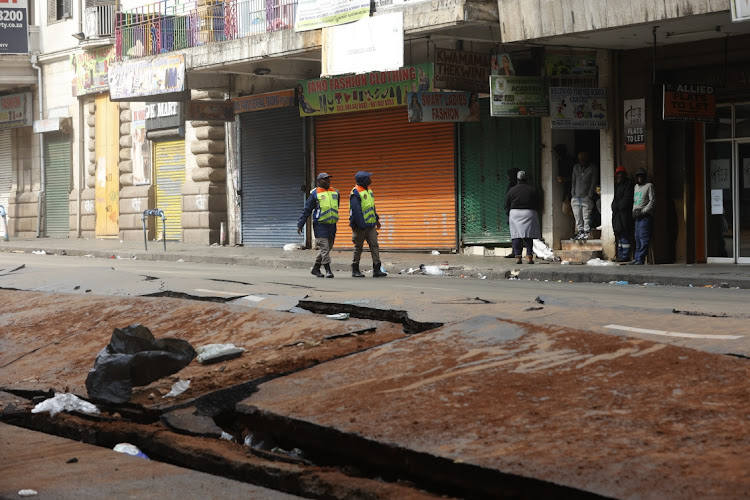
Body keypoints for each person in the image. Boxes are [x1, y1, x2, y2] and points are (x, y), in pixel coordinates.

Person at [297, 173, 339, 278]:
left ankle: (316, 268)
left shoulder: (335, 192)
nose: (328, 181)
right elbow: (307, 210)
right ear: (319, 181)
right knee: (324, 247)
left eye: (328, 179)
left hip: (332, 224)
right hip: (320, 225)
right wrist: (301, 224)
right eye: (325, 179)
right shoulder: (314, 194)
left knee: (328, 248)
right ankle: (328, 270)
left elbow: (337, 205)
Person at [350, 171, 387, 278]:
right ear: (364, 180)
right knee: (358, 248)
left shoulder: (369, 190)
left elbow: (371, 207)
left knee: (374, 245)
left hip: (370, 225)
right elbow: (356, 211)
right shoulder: (355, 192)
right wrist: (361, 226)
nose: (371, 180)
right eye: (368, 178)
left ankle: (377, 269)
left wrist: (377, 220)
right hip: (360, 226)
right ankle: (355, 269)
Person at [504, 170, 540, 264]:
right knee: (528, 235)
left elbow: (507, 204)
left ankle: (518, 257)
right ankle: (529, 257)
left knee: (516, 235)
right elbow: (538, 202)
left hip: (515, 214)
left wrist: (509, 213)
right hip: (529, 213)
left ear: (517, 179)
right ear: (526, 178)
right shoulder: (532, 189)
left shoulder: (512, 190)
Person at [570, 151, 599, 240]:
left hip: (586, 196)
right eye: (580, 159)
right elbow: (573, 181)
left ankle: (586, 232)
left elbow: (594, 181)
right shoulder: (576, 167)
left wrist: (590, 195)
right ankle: (580, 232)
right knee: (577, 215)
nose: (581, 161)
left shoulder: (592, 168)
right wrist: (573, 193)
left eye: (583, 159)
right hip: (576, 196)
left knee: (586, 216)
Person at [629, 168, 655, 265]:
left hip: (645, 215)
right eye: (638, 176)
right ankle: (636, 258)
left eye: (641, 176)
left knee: (643, 237)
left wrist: (643, 211)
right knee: (637, 237)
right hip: (637, 215)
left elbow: (652, 201)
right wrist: (634, 211)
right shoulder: (636, 187)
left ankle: (640, 258)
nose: (640, 178)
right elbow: (635, 200)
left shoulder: (649, 186)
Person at [611, 166, 634, 262]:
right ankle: (620, 255)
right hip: (617, 215)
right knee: (619, 234)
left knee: (625, 233)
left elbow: (627, 200)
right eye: (618, 174)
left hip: (625, 214)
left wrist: (619, 206)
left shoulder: (628, 185)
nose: (619, 176)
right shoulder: (618, 185)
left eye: (621, 174)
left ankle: (625, 255)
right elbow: (615, 199)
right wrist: (614, 207)